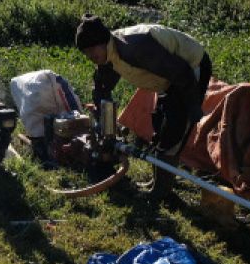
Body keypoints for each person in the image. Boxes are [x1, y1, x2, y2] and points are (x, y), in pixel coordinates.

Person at [74, 16, 212, 162]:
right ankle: (158, 177)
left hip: (191, 69)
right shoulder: (107, 56)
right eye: (85, 52)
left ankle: (162, 184)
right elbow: (102, 90)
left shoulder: (135, 47)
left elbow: (182, 73)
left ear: (103, 42)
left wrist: (192, 105)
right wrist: (105, 125)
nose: (89, 56)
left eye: (91, 50)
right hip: (166, 77)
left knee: (172, 134)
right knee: (160, 127)